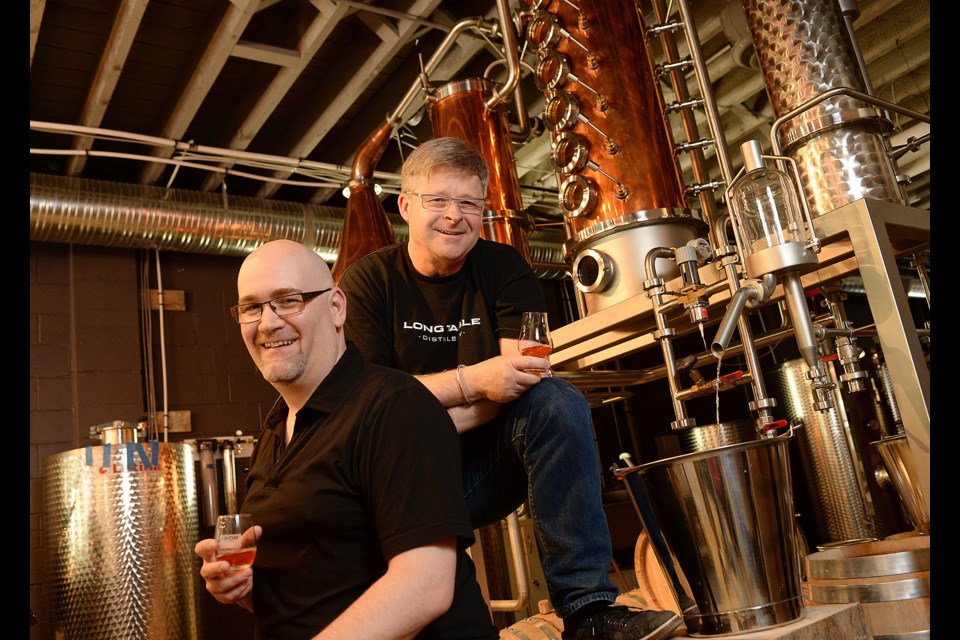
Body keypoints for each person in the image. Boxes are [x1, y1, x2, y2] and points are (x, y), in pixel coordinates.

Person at [338, 137, 682, 640]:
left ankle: (588, 613)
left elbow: (522, 379)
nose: (455, 216)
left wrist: (428, 401)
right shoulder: (367, 282)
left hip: (486, 467)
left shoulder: (503, 267)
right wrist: (475, 380)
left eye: (470, 204)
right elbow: (371, 408)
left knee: (557, 402)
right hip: (404, 485)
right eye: (438, 200)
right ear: (405, 206)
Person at [194, 239, 499, 640]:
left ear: (336, 307)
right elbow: (319, 589)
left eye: (289, 300)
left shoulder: (394, 406)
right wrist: (247, 589)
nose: (267, 323)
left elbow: (425, 585)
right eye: (252, 307)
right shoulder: (275, 433)